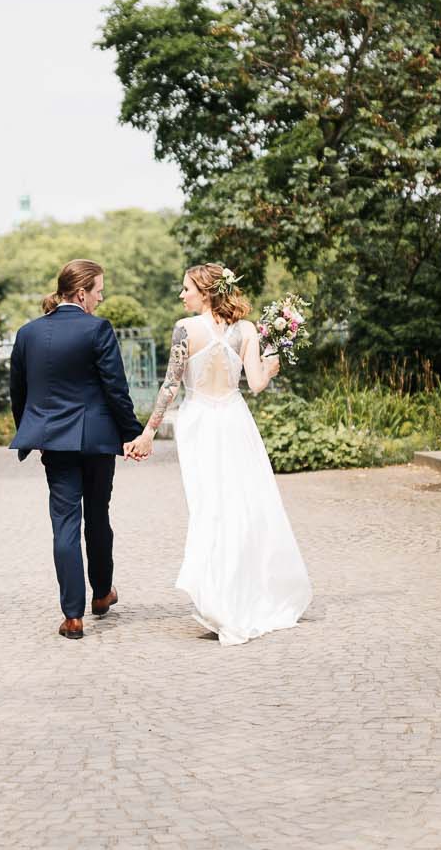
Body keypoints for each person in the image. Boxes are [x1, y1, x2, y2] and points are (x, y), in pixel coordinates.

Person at [126, 264, 313, 644]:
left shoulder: (185, 329)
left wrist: (148, 433)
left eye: (186, 289)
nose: (182, 296)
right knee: (242, 505)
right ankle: (241, 593)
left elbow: (170, 387)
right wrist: (272, 366)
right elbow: (257, 384)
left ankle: (220, 597)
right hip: (234, 420)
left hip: (200, 426)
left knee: (209, 507)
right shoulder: (245, 331)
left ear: (207, 292)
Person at [6, 259, 145, 640]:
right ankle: (101, 595)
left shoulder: (28, 333)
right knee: (97, 515)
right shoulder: (97, 329)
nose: (101, 297)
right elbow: (115, 388)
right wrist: (132, 434)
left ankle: (72, 616)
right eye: (99, 290)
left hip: (54, 441)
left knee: (64, 524)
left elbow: (18, 392)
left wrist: (33, 431)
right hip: (97, 440)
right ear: (81, 293)